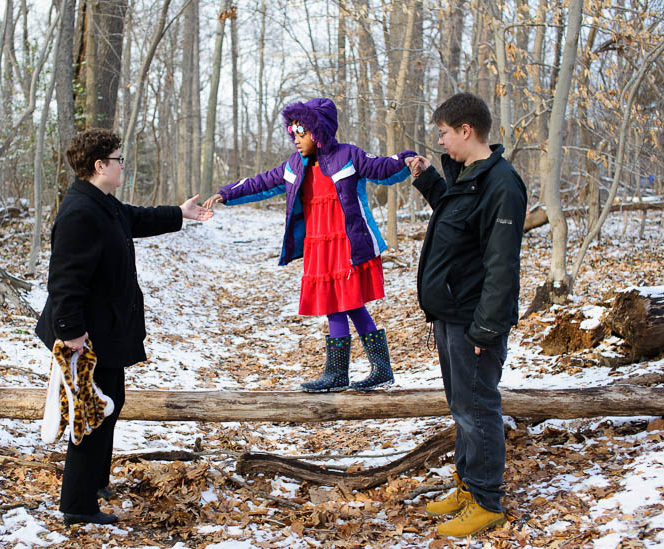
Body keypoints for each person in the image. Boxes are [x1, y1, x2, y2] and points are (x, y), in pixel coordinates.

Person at [35, 128, 213, 526]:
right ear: (100, 166)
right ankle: (77, 505)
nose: (122, 166)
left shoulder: (102, 204)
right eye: (118, 160)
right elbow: (63, 280)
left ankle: (95, 482)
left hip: (106, 331)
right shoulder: (81, 212)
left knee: (110, 406)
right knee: (90, 414)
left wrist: (179, 213)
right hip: (86, 336)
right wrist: (71, 333)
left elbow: (135, 218)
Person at [203, 98, 416, 392]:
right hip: (319, 247)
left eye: (301, 133)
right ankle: (367, 370)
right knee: (342, 305)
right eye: (293, 134)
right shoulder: (294, 166)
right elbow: (261, 182)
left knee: (346, 304)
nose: (296, 140)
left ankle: (352, 372)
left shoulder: (347, 155)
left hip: (347, 244)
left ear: (318, 132)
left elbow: (380, 167)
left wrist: (406, 159)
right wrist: (225, 194)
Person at [407, 92, 526, 538]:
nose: (439, 142)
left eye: (443, 132)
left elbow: (502, 265)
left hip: (473, 321)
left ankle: (487, 502)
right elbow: (457, 220)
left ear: (465, 130)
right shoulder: (470, 177)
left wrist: (487, 328)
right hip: (451, 316)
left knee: (478, 409)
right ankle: (466, 487)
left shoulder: (501, 183)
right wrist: (428, 180)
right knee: (462, 408)